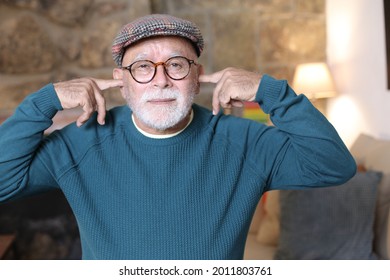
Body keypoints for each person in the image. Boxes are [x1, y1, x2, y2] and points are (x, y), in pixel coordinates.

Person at [0, 14, 356, 260]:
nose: (160, 80)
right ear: (121, 81)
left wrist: (271, 92)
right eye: (142, 67)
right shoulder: (81, 140)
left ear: (197, 76)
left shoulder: (244, 141)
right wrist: (42, 103)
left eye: (176, 64)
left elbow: (334, 165)